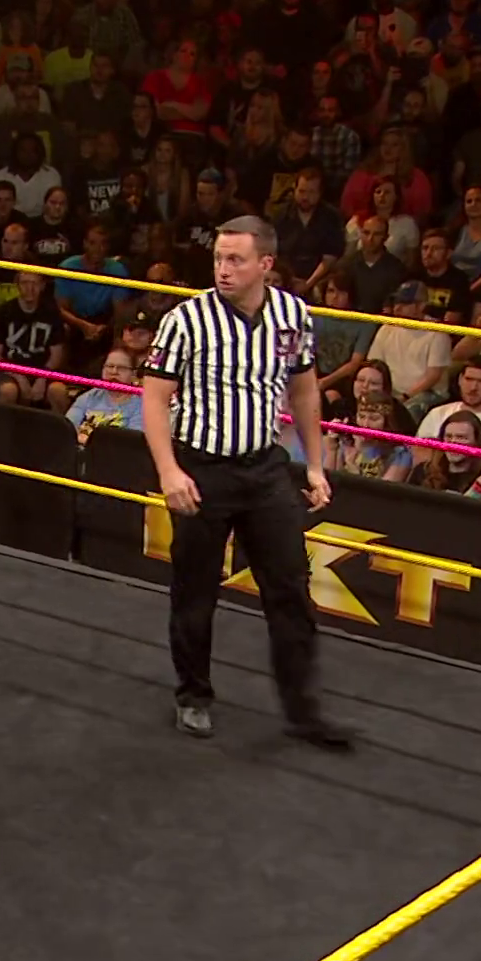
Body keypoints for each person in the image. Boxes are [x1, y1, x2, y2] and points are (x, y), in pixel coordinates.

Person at [140, 215, 349, 749]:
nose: (223, 269)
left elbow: (304, 390)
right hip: (202, 468)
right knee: (195, 592)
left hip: (265, 469)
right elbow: (155, 398)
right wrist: (169, 471)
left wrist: (315, 464)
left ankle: (304, 711)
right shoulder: (186, 320)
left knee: (291, 590)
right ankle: (193, 695)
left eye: (235, 259)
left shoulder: (291, 314)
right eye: (218, 258)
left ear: (265, 264)